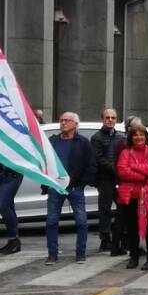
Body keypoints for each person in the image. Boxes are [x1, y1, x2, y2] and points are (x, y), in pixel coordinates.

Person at [45, 112, 96, 265]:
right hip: (55, 187)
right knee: (51, 221)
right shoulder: (52, 141)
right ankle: (52, 254)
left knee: (81, 221)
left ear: (75, 124)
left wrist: (81, 184)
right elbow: (44, 162)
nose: (63, 123)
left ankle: (81, 253)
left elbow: (91, 165)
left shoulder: (83, 142)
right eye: (61, 120)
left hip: (75, 188)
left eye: (67, 120)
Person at [115, 119, 148, 270]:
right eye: (135, 135)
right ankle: (134, 257)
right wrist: (143, 176)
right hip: (131, 196)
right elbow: (122, 171)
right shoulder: (125, 152)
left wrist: (134, 167)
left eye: (141, 134)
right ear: (131, 137)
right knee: (131, 229)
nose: (138, 137)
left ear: (146, 136)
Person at [90, 107, 122, 254]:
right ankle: (105, 240)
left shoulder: (120, 137)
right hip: (104, 179)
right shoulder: (96, 138)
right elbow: (99, 159)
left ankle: (122, 237)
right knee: (105, 210)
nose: (110, 120)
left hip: (119, 178)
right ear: (102, 119)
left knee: (123, 208)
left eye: (113, 118)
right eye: (107, 117)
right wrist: (116, 168)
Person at [0, 158, 23, 255]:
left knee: (2, 205)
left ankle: (13, 239)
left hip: (12, 174)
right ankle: (13, 241)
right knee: (9, 206)